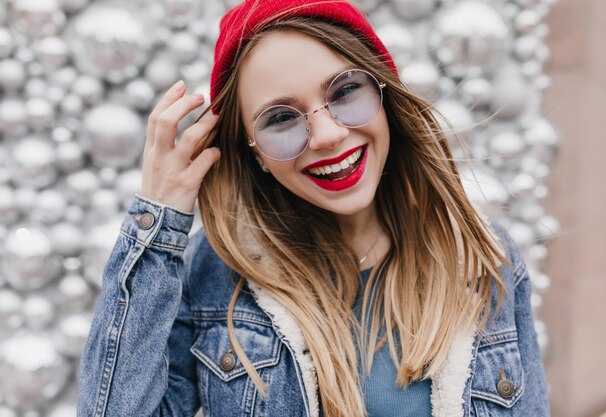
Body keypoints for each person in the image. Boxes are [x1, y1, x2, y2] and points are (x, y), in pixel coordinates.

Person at [77, 0, 551, 416]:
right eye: (281, 119)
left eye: (344, 92)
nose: (327, 136)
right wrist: (158, 219)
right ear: (253, 153)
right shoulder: (216, 274)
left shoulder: (483, 262)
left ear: (383, 94)